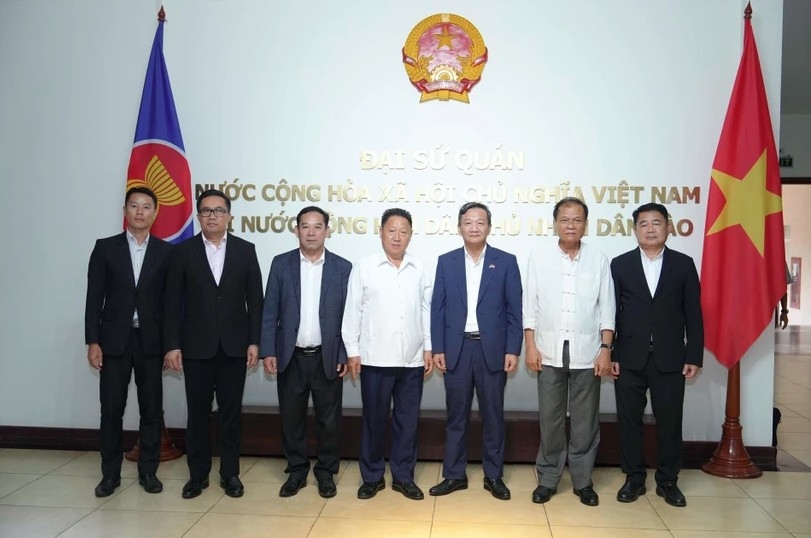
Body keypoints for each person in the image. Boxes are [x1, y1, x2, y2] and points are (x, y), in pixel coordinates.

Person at [163, 189, 263, 499]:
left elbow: (255, 301)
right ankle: (198, 476)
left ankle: (230, 474)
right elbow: (171, 303)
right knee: (197, 415)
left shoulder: (245, 250)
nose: (212, 216)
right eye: (206, 211)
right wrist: (172, 345)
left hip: (234, 347)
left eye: (219, 211)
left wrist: (254, 342)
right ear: (198, 216)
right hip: (196, 348)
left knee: (231, 415)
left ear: (229, 217)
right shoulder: (183, 252)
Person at [610, 202, 703, 508]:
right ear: (634, 229)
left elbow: (693, 313)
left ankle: (668, 481)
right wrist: (611, 353)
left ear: (668, 227)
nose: (650, 229)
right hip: (628, 357)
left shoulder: (683, 264)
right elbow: (611, 313)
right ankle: (634, 478)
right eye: (643, 224)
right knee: (629, 421)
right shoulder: (620, 265)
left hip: (671, 358)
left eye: (656, 223)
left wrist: (694, 355)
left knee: (670, 422)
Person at [523, 196, 614, 507]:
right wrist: (530, 346)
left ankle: (582, 481)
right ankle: (548, 478)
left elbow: (607, 308)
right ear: (555, 223)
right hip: (548, 350)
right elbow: (530, 306)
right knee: (550, 419)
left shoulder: (598, 259)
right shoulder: (539, 257)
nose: (570, 225)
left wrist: (605, 349)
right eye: (564, 219)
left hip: (587, 352)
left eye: (577, 220)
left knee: (585, 421)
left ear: (585, 224)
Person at [429, 202, 522, 501]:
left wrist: (513, 349)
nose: (474, 227)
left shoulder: (505, 261)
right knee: (456, 416)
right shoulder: (446, 261)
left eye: (480, 222)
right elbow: (437, 309)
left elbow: (514, 311)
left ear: (489, 227)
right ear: (459, 227)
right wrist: (438, 347)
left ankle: (493, 476)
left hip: (491, 350)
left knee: (493, 416)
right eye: (468, 222)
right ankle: (454, 475)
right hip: (456, 349)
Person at [85, 186, 172, 497]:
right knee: (111, 410)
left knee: (151, 411)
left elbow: (171, 303)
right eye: (134, 205)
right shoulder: (105, 248)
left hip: (151, 342)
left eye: (146, 206)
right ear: (125, 211)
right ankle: (110, 475)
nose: (140, 211)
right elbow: (94, 298)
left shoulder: (166, 252)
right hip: (113, 342)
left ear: (155, 213)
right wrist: (93, 341)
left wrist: (170, 345)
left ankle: (148, 471)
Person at [259, 206, 351, 499]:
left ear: (327, 230)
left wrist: (344, 354)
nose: (311, 232)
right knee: (292, 418)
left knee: (329, 420)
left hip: (327, 356)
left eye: (317, 226)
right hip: (291, 356)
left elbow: (349, 317)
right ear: (296, 230)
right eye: (305, 226)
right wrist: (268, 351)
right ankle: (297, 471)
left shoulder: (342, 267)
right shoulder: (281, 264)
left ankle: (326, 473)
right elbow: (269, 310)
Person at [341, 208, 433, 501]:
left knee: (408, 422)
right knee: (374, 420)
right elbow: (352, 311)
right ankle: (372, 477)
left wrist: (429, 347)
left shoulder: (419, 267)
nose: (397, 237)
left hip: (411, 359)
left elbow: (426, 310)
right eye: (391, 230)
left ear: (410, 236)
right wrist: (352, 351)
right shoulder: (365, 266)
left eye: (403, 231)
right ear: (380, 232)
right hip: (374, 359)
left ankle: (404, 477)